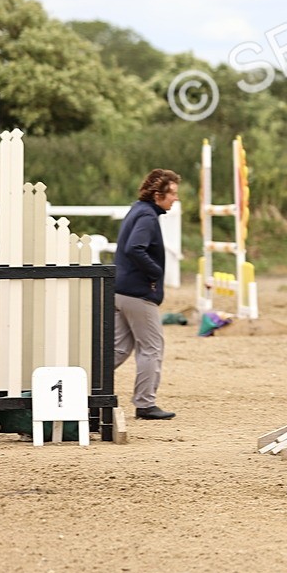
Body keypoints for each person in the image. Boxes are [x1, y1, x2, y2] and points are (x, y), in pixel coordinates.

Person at [114, 169, 180, 420]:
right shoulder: (147, 217)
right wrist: (155, 273)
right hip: (138, 294)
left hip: (120, 291)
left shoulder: (137, 210)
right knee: (152, 348)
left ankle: (83, 384)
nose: (175, 198)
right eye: (172, 193)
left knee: (118, 349)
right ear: (157, 194)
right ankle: (145, 404)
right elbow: (135, 248)